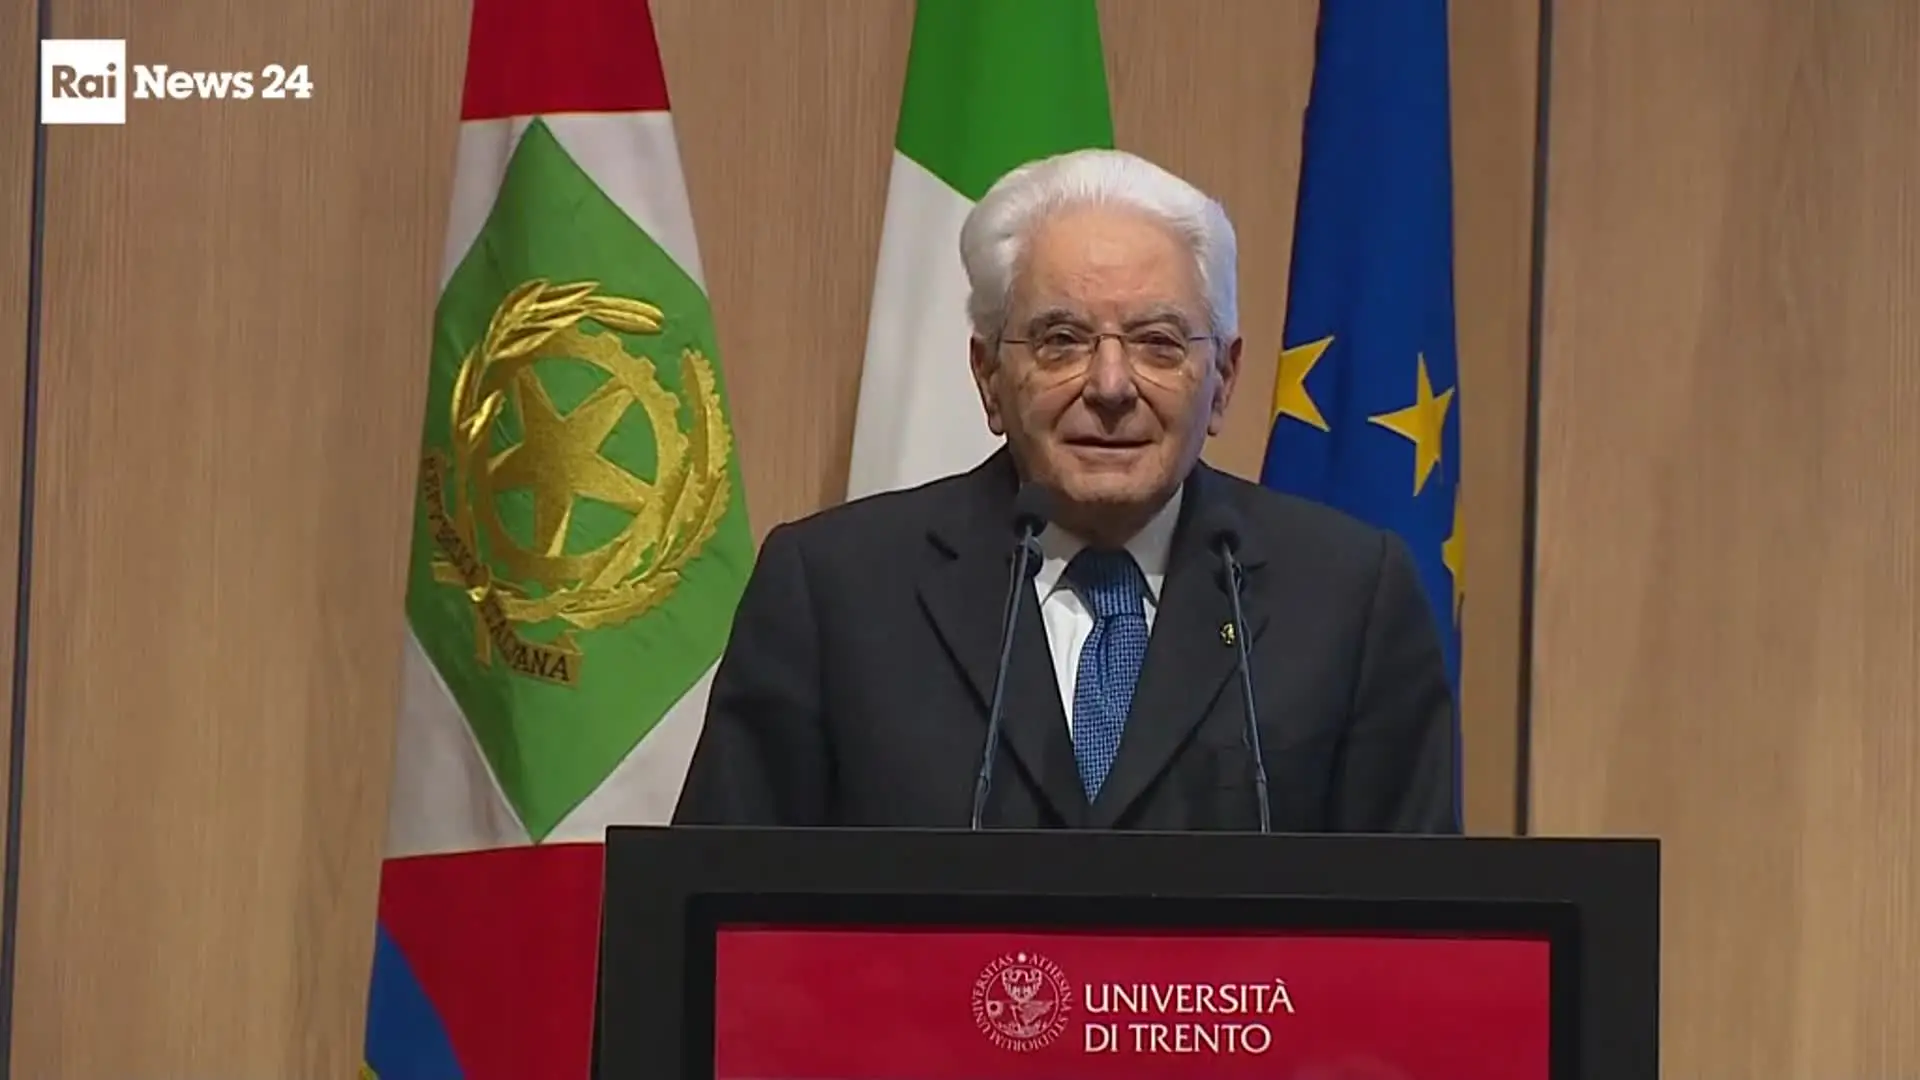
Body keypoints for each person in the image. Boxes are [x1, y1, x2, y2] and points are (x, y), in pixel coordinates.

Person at [673, 148, 1458, 833]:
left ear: (1222, 379)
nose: (1110, 386)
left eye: (1158, 343)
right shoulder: (835, 592)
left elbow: (1421, 927)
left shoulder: (1349, 598)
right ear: (989, 377)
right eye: (1062, 341)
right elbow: (717, 909)